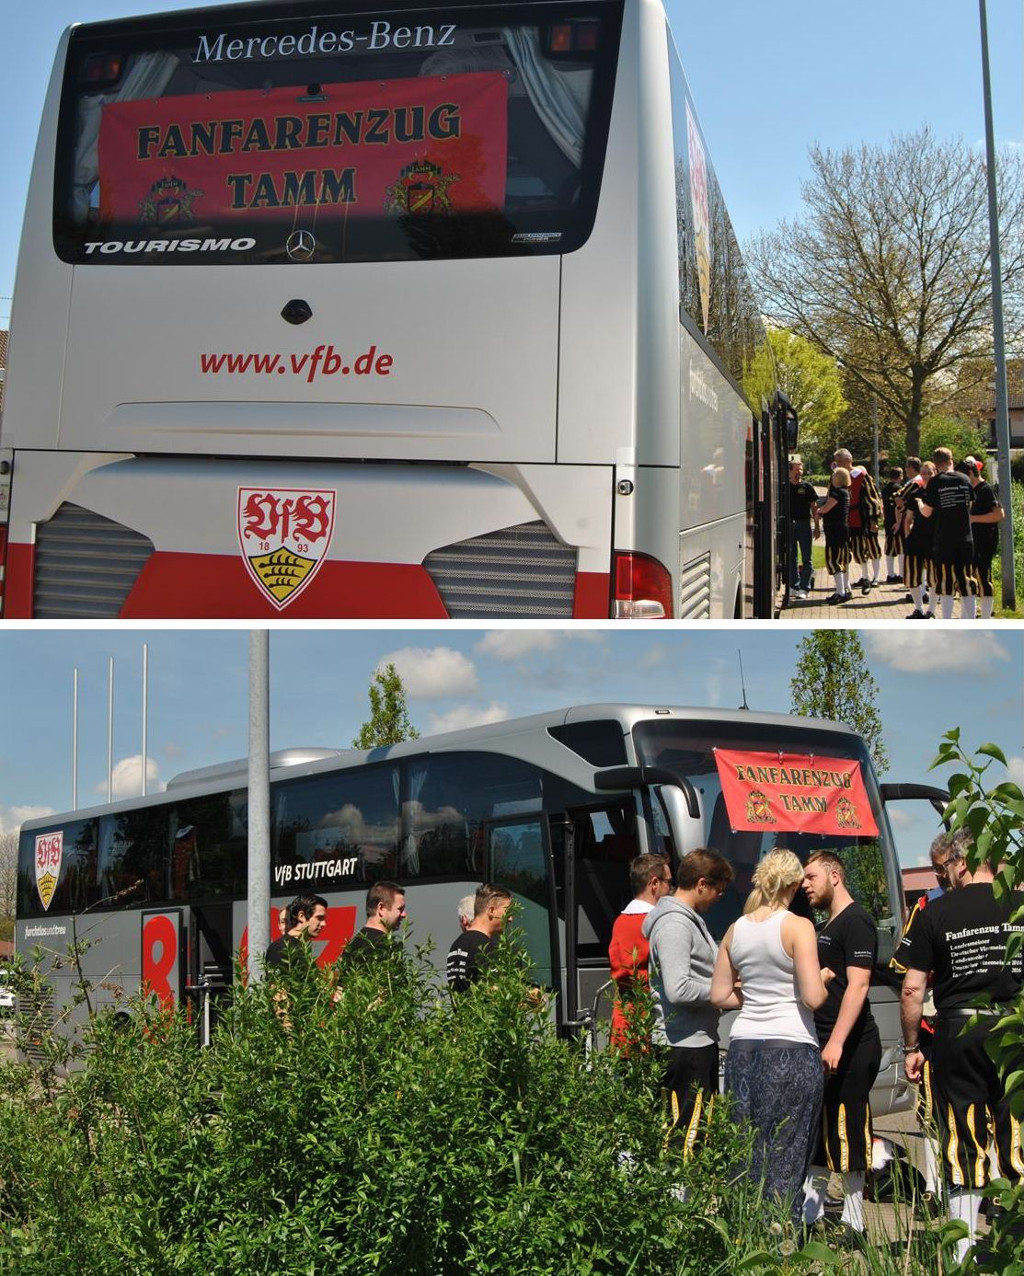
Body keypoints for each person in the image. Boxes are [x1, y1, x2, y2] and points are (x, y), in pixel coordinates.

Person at [898, 836, 1024, 1266]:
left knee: (961, 1134)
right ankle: (1017, 1243)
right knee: (1018, 1130)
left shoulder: (936, 912)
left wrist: (912, 1046)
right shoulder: (1020, 904)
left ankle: (963, 1251)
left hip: (957, 1028)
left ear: (963, 862)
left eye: (942, 868)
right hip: (1014, 1026)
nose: (939, 877)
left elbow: (912, 987)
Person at [711, 851, 827, 1226]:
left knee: (748, 1147)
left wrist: (755, 992)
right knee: (787, 1150)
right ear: (793, 885)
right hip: (790, 1046)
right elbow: (812, 998)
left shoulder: (735, 929)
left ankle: (744, 1232)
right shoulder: (797, 926)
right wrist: (822, 980)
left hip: (744, 1046)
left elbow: (719, 996)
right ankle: (781, 1238)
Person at [801, 852, 882, 1241]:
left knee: (849, 1127)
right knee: (819, 1129)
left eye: (811, 876)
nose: (805, 884)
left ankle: (854, 1223)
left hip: (851, 1045)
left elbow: (860, 985)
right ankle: (809, 1214)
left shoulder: (857, 921)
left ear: (835, 875)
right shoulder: (826, 924)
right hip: (822, 1040)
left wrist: (835, 1041)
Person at [887, 831, 967, 1199]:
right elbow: (903, 967)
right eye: (933, 869)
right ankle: (937, 1186)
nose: (938, 877)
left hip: (977, 1019)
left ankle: (994, 1189)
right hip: (935, 1023)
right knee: (933, 1110)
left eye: (941, 869)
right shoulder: (926, 906)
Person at [642, 848, 734, 1155]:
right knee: (685, 1138)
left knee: (695, 1133)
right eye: (718, 892)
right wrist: (724, 992)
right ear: (702, 884)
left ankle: (686, 1198)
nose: (718, 898)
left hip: (693, 1041)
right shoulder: (675, 924)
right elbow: (678, 988)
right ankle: (679, 1200)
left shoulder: (686, 920)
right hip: (684, 1046)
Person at [608, 853, 673, 1052]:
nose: (671, 888)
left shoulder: (620, 921)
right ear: (654, 883)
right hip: (649, 1024)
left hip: (624, 1024)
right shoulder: (654, 922)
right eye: (668, 882)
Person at [916, 447, 977, 619]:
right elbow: (969, 507)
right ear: (951, 460)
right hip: (966, 537)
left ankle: (947, 619)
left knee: (945, 581)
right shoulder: (965, 479)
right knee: (966, 579)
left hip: (945, 539)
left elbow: (927, 512)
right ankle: (970, 619)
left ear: (935, 463)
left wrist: (920, 503)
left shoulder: (936, 481)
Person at [446, 883, 512, 993]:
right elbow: (498, 995)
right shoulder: (485, 947)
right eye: (508, 912)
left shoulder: (457, 945)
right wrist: (528, 999)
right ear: (491, 911)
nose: (510, 919)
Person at [966, 457, 1003, 620]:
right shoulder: (969, 490)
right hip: (970, 541)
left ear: (970, 473)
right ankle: (971, 614)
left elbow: (999, 514)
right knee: (970, 577)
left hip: (985, 540)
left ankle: (987, 616)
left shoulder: (986, 489)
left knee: (983, 576)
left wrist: (974, 519)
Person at [340, 880, 407, 964]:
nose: (404, 914)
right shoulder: (384, 947)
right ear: (381, 908)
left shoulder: (352, 945)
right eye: (400, 909)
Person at [901, 460, 936, 619]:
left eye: (929, 473)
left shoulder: (938, 494)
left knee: (934, 577)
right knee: (912, 576)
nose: (926, 476)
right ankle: (919, 609)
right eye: (923, 473)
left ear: (935, 473)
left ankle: (932, 611)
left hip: (934, 541)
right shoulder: (914, 495)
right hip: (916, 540)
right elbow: (908, 519)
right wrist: (908, 536)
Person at [264, 893, 328, 972]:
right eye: (319, 918)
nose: (323, 924)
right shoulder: (281, 948)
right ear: (301, 916)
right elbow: (276, 984)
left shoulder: (302, 948)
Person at [815, 466, 851, 604]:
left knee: (834, 559)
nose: (832, 477)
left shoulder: (837, 493)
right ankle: (841, 590)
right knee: (839, 558)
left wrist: (819, 511)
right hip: (841, 529)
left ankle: (841, 592)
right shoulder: (844, 492)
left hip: (836, 529)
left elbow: (826, 507)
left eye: (834, 475)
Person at [846, 462, 883, 592]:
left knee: (873, 547)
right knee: (858, 550)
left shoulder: (862, 478)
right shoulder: (842, 476)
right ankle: (865, 576)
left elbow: (873, 500)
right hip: (853, 520)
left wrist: (874, 518)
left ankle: (876, 577)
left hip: (866, 519)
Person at [788, 458, 820, 599]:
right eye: (796, 470)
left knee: (807, 557)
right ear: (789, 471)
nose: (799, 473)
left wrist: (817, 526)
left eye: (800, 470)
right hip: (789, 524)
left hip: (804, 524)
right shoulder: (783, 486)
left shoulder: (807, 487)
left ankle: (804, 588)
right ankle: (793, 586)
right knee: (791, 556)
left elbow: (814, 508)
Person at [880, 466, 904, 582]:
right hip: (897, 521)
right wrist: (899, 522)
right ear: (900, 476)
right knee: (901, 549)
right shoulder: (899, 489)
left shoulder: (885, 489)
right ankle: (902, 574)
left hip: (888, 521)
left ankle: (890, 574)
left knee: (889, 548)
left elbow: (883, 506)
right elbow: (899, 506)